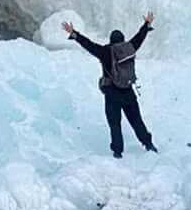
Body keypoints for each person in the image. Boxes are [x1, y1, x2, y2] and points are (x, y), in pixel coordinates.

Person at [63, 12, 158, 158]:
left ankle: (118, 152)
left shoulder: (105, 51)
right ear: (123, 40)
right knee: (136, 120)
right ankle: (148, 144)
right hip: (128, 91)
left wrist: (74, 34)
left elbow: (89, 45)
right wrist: (146, 24)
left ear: (111, 40)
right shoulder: (130, 47)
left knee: (115, 123)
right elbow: (140, 37)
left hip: (112, 93)